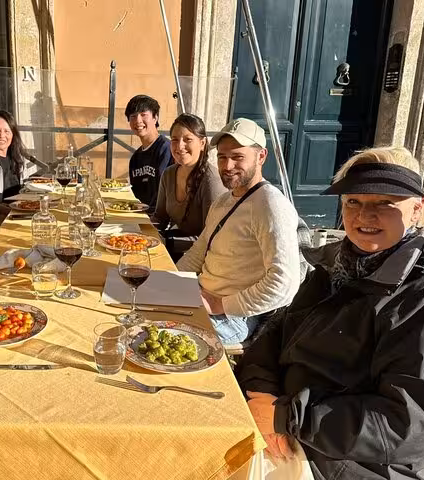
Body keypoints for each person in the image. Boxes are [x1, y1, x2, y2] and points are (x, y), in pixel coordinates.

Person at [236, 146, 424, 479]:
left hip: (348, 464)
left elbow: (407, 426)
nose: (364, 216)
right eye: (353, 202)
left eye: (384, 203)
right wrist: (263, 395)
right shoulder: (334, 270)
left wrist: (288, 418)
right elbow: (275, 336)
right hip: (284, 425)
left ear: (417, 209)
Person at [176, 118, 301, 346]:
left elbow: (285, 284)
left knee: (158, 336)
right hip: (200, 295)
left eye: (238, 157)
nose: (227, 166)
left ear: (261, 156)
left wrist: (220, 305)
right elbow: (199, 252)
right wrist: (167, 281)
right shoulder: (224, 201)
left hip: (232, 318)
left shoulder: (271, 205)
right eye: (222, 157)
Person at [152, 113, 225, 261]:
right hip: (175, 248)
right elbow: (160, 218)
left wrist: (168, 242)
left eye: (188, 139)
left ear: (203, 143)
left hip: (202, 261)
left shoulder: (211, 182)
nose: (180, 146)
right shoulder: (169, 174)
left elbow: (213, 239)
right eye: (174, 140)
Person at [0, 110, 47, 201]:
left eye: (6, 131)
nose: (2, 135)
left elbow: (25, 189)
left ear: (13, 134)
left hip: (20, 208)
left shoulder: (18, 157)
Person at [125, 95, 172, 212]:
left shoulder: (166, 149)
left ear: (155, 117)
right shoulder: (135, 158)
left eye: (143, 114)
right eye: (133, 116)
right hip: (140, 214)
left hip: (160, 219)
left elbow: (167, 193)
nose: (138, 121)